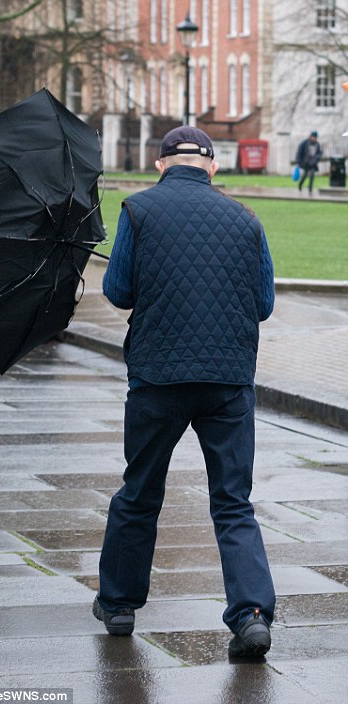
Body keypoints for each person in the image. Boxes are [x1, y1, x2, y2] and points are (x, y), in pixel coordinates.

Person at [92, 125, 276, 659]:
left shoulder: (138, 211)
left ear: (160, 164)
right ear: (212, 167)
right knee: (233, 503)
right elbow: (263, 304)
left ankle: (120, 604)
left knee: (140, 492)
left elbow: (119, 292)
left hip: (157, 377)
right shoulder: (247, 219)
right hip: (228, 380)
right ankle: (252, 614)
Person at [296, 130, 322, 195]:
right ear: (310, 137)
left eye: (316, 137)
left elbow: (319, 153)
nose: (315, 138)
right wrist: (298, 162)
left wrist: (318, 157)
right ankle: (300, 184)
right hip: (306, 162)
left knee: (312, 175)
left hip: (313, 163)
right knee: (305, 175)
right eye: (314, 137)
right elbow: (299, 152)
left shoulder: (317, 144)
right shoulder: (304, 143)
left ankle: (310, 189)